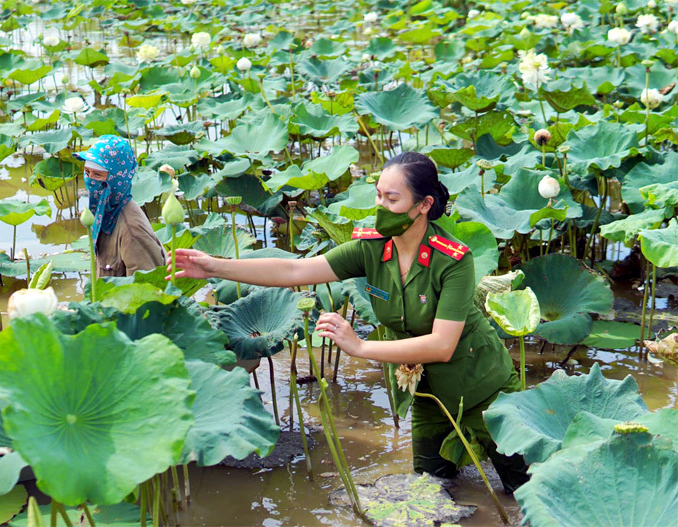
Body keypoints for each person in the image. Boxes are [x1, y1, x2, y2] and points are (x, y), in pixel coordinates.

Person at [169, 151, 529, 493]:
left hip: (485, 390)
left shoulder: (453, 260)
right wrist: (214, 266)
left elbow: (441, 344)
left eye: (392, 199)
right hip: (428, 395)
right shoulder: (372, 248)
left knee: (519, 492)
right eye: (378, 196)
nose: (381, 207)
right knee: (434, 489)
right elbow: (296, 268)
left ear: (424, 205)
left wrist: (359, 347)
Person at [74, 135, 166, 277]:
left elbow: (147, 291)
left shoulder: (132, 232)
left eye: (97, 175)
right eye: (87, 172)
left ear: (117, 179)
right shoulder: (106, 214)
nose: (90, 180)